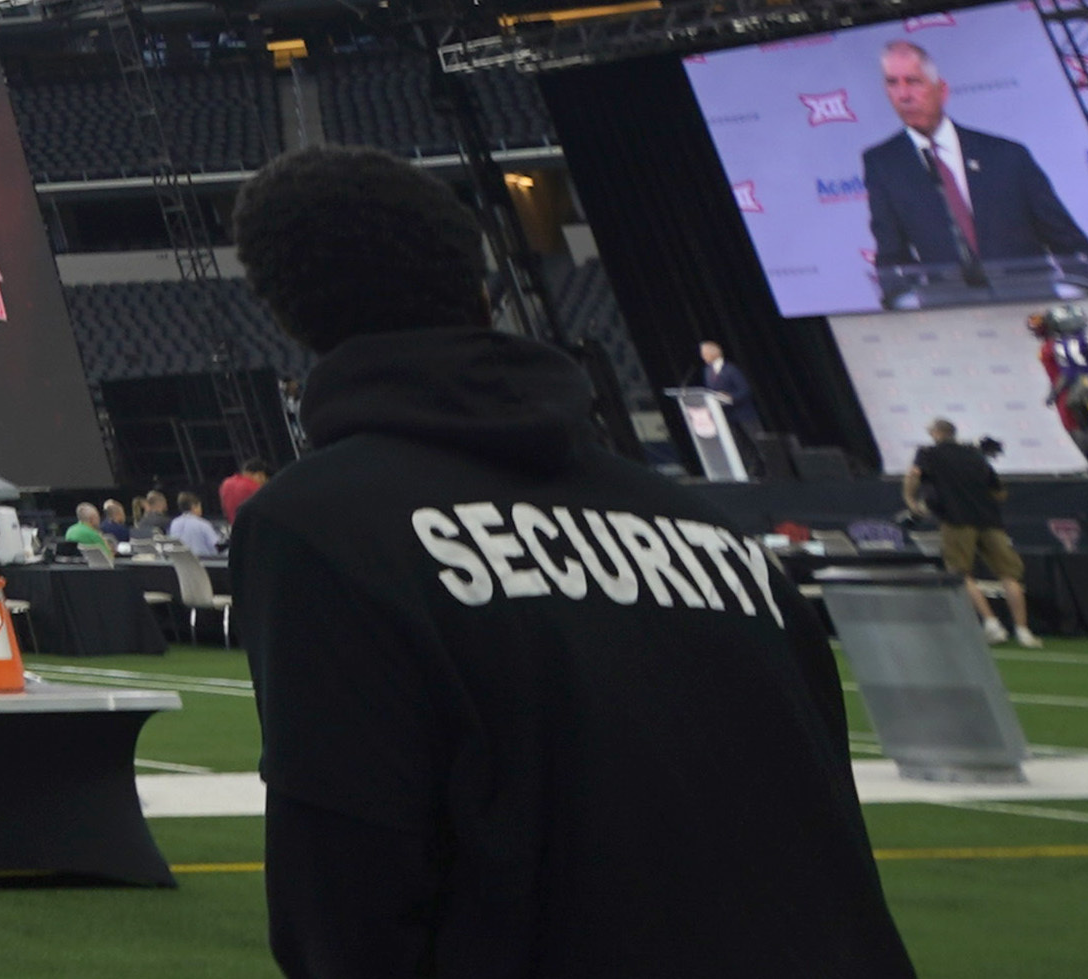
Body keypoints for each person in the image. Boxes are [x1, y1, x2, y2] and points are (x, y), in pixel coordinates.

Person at [223, 143, 906, 978]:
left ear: (286, 317)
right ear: (480, 289)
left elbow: (346, 901)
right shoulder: (714, 534)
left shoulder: (318, 527)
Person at [859, 38, 1088, 303]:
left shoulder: (1006, 156)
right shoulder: (884, 164)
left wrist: (1087, 296)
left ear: (941, 90)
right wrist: (901, 303)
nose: (904, 95)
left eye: (913, 81)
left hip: (1032, 305)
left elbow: (1067, 240)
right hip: (951, 315)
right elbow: (891, 255)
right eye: (892, 83)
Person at [904, 421, 1034, 646]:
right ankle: (1023, 631)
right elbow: (999, 492)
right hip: (990, 521)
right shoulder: (975, 454)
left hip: (956, 520)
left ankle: (992, 624)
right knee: (1009, 575)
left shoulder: (929, 453)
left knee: (961, 574)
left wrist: (910, 501)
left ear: (936, 434)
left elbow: (914, 474)